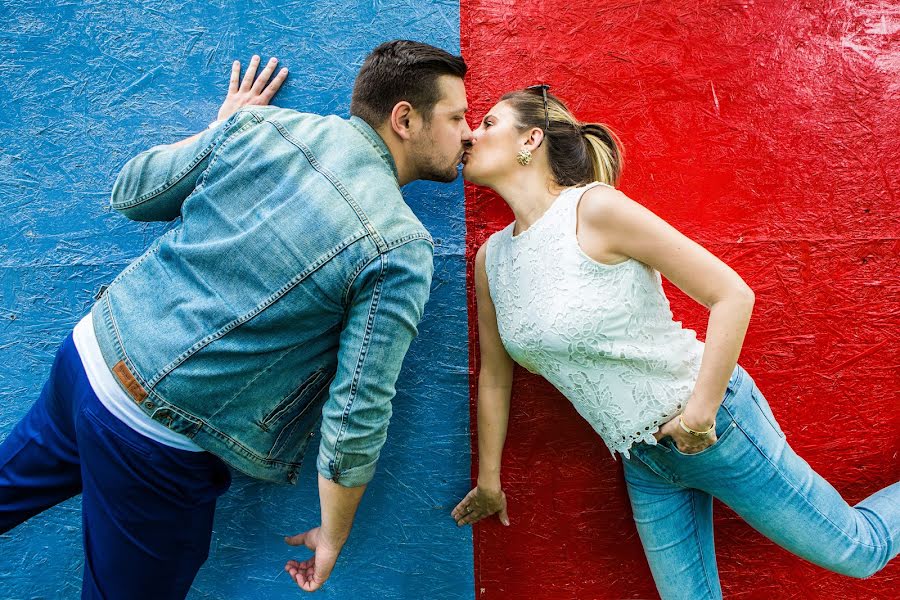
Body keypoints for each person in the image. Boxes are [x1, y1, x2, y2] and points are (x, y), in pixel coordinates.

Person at [0, 40, 472, 598]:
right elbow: (356, 413)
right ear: (404, 118)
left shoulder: (264, 128)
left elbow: (132, 192)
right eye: (457, 116)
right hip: (153, 436)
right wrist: (334, 533)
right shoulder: (398, 247)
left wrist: (224, 126)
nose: (468, 133)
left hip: (89, 354)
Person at [451, 85, 899, 598]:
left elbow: (731, 294)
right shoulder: (492, 259)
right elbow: (494, 375)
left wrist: (699, 419)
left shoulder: (594, 210)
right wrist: (490, 479)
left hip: (716, 428)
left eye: (487, 123)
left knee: (858, 551)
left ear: (530, 139)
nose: (470, 134)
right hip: (644, 460)